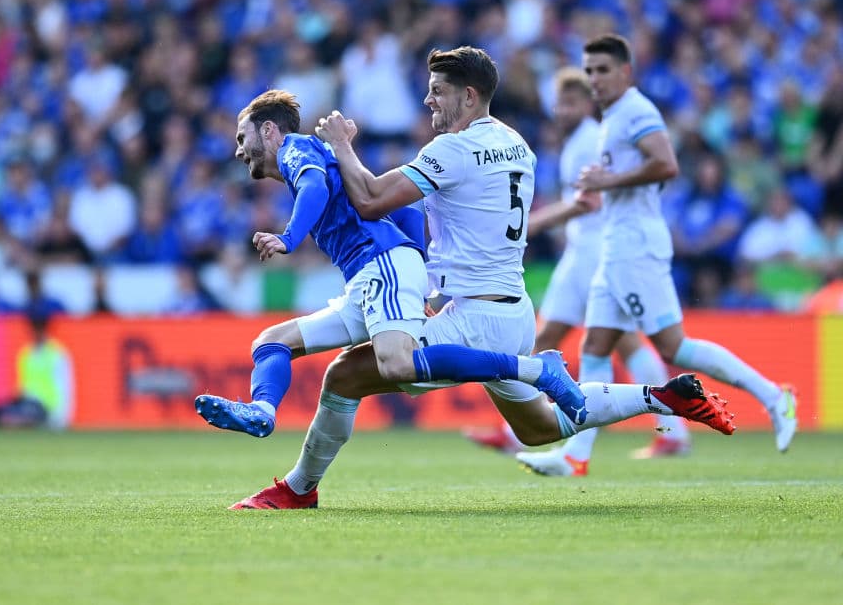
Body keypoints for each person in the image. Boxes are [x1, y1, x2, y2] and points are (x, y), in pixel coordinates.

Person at [228, 47, 734, 509]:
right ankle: (661, 396)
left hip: (475, 313)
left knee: (345, 376)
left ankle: (298, 489)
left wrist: (342, 146)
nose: (429, 100)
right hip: (511, 307)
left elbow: (370, 199)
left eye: (438, 91)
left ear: (468, 97)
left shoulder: (452, 151)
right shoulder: (518, 145)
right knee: (541, 428)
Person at [195, 89, 588, 438]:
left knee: (398, 364)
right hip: (374, 275)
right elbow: (404, 213)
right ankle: (262, 411)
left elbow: (314, 188)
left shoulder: (295, 149)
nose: (237, 150)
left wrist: (288, 238)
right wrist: (415, 271)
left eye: (241, 137)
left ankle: (538, 371)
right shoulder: (320, 158)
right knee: (270, 343)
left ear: (268, 131)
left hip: (379, 266)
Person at [515, 34, 796, 479]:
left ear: (625, 71)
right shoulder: (610, 120)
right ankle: (575, 456)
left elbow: (667, 164)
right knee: (595, 346)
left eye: (603, 70)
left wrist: (608, 182)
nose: (595, 79)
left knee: (673, 345)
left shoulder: (636, 111)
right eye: (589, 71)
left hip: (636, 248)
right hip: (615, 246)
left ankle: (773, 396)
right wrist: (616, 183)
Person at [463, 67, 690, 463]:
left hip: (595, 252)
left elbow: (590, 202)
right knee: (543, 338)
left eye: (570, 102)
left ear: (587, 104)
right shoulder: (574, 144)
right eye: (559, 102)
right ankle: (514, 430)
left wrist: (530, 224)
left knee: (622, 340)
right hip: (579, 253)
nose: (561, 110)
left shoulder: (588, 142)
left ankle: (673, 428)